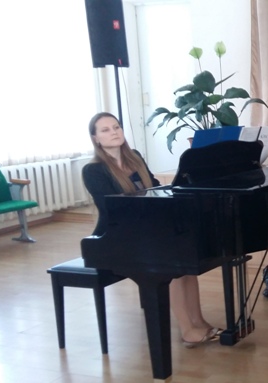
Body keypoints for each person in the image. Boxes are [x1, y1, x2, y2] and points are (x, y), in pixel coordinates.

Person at [83, 112, 222, 348]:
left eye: (116, 127)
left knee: (188, 262)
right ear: (96, 138)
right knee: (173, 263)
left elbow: (154, 187)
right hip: (115, 238)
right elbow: (113, 208)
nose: (114, 132)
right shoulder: (93, 170)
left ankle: (199, 321)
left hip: (145, 230)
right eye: (105, 130)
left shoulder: (134, 157)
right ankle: (187, 330)